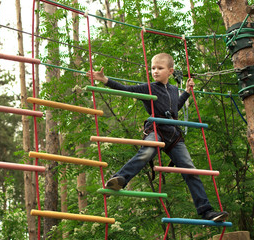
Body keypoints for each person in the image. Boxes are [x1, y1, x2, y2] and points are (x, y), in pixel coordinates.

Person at [86, 53, 228, 222]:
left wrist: (188, 92)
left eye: (160, 68)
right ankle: (120, 179)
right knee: (147, 151)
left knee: (190, 170)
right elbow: (126, 90)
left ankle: (207, 211)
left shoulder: (174, 90)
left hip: (174, 135)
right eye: (153, 68)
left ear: (170, 71)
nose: (155, 71)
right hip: (156, 129)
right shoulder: (149, 88)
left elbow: (175, 108)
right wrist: (105, 80)